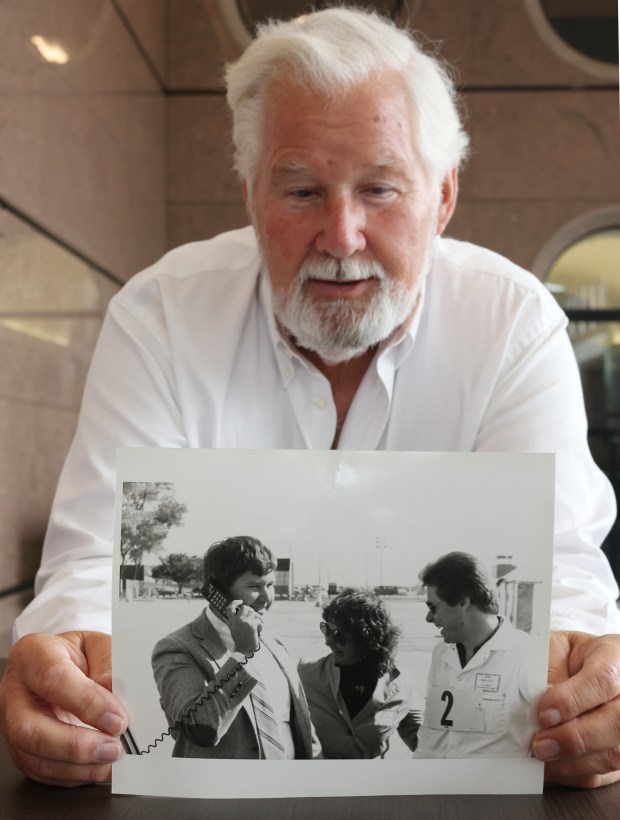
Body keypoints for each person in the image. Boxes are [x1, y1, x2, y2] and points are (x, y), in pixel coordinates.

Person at [1, 6, 619, 789]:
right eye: (301, 191)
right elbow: (96, 559)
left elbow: (559, 561)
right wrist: (69, 664)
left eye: (381, 190)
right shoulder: (160, 317)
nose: (342, 235)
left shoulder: (513, 324)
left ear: (444, 197)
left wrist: (583, 683)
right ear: (251, 191)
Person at [151, 535, 320, 759]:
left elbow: (302, 725)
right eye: (254, 586)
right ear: (217, 592)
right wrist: (242, 655)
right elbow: (200, 729)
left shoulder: (275, 643)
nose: (267, 598)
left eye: (269, 585)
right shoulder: (177, 648)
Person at [413, 552, 538, 758]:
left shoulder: (525, 655)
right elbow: (430, 733)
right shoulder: (441, 653)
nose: (428, 618)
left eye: (432, 607)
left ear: (462, 602)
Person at [298, 590, 421, 759]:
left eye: (338, 635)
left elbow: (423, 741)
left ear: (367, 638)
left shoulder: (402, 683)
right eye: (326, 630)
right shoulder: (304, 673)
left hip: (371, 782)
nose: (328, 641)